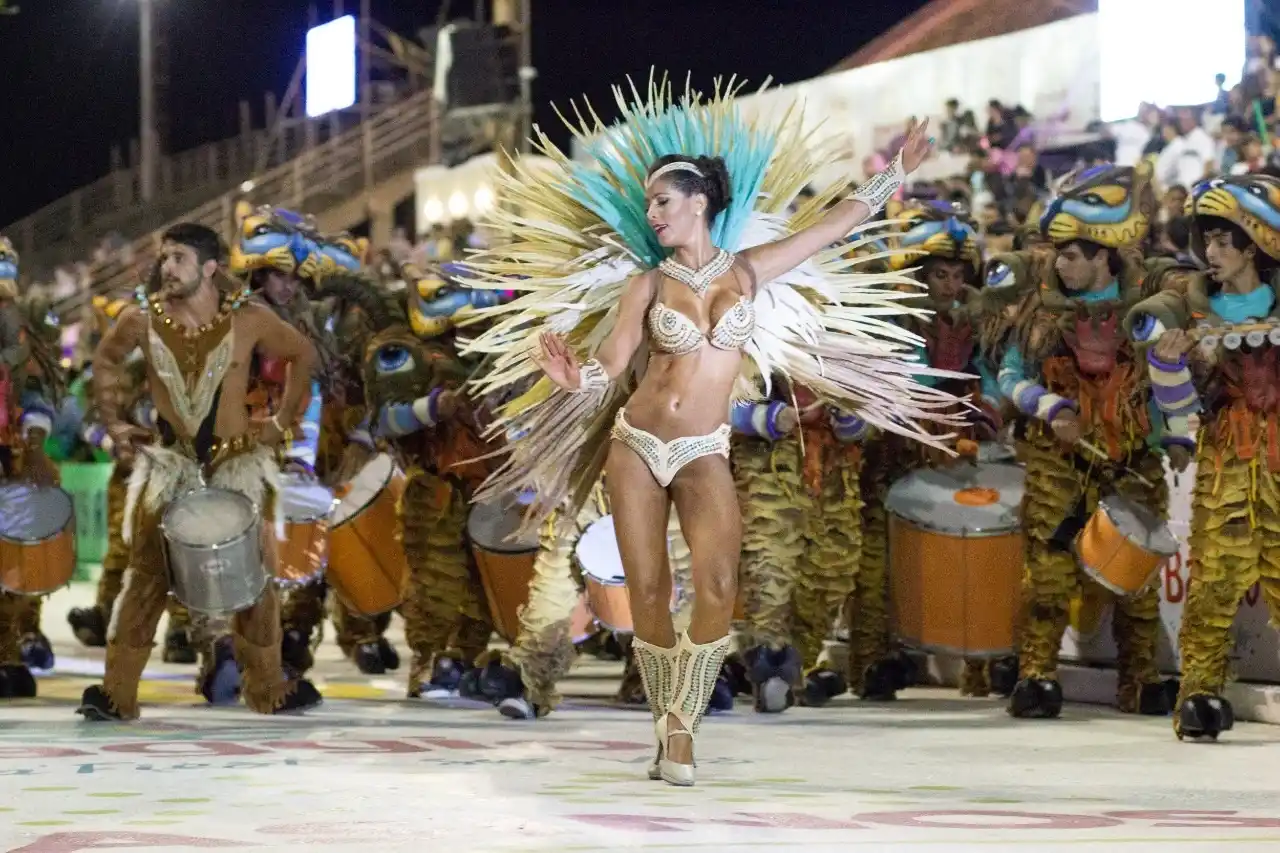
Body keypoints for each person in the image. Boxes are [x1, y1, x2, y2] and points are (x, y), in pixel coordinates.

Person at [461, 79, 951, 787]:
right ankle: (676, 729)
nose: (652, 213)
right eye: (649, 204)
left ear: (699, 202)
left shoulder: (750, 273)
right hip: (636, 444)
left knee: (719, 584)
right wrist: (577, 382)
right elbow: (611, 363)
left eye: (662, 201)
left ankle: (680, 713)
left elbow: (833, 226)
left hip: (703, 449)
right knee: (651, 590)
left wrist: (896, 174)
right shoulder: (645, 285)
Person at [78, 222, 322, 721]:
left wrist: (279, 424)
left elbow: (303, 354)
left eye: (180, 258)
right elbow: (104, 361)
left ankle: (269, 687)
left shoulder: (250, 319)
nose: (168, 267)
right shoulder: (141, 320)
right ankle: (115, 693)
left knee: (255, 581)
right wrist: (115, 425)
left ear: (210, 267)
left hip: (238, 465)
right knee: (146, 576)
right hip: (170, 464)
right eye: (165, 257)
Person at [990, 161, 1183, 719]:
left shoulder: (1146, 306)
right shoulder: (1039, 310)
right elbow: (1009, 376)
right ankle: (1037, 674)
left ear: (1104, 255)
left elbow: (1167, 380)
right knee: (1048, 572)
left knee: (1136, 575)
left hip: (1129, 458)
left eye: (1072, 256)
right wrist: (1051, 409)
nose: (1060, 265)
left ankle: (1140, 678)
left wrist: (1170, 434)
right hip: (1057, 460)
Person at [1137, 173, 1280, 740]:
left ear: (1254, 244)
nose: (1212, 253)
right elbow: (1177, 404)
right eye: (1207, 242)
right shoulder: (1188, 310)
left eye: (1224, 241)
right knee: (1216, 578)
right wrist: (1169, 365)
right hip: (1228, 463)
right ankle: (1199, 692)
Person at [67, 293, 197, 663]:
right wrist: (116, 445)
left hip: (175, 476)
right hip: (128, 477)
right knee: (120, 549)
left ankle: (181, 628)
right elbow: (91, 423)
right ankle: (105, 612)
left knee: (178, 552)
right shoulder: (114, 376)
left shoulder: (188, 368)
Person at [0, 236, 63, 698]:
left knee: (16, 556)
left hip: (13, 453)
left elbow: (38, 394)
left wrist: (36, 446)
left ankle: (11, 649)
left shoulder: (25, 328)